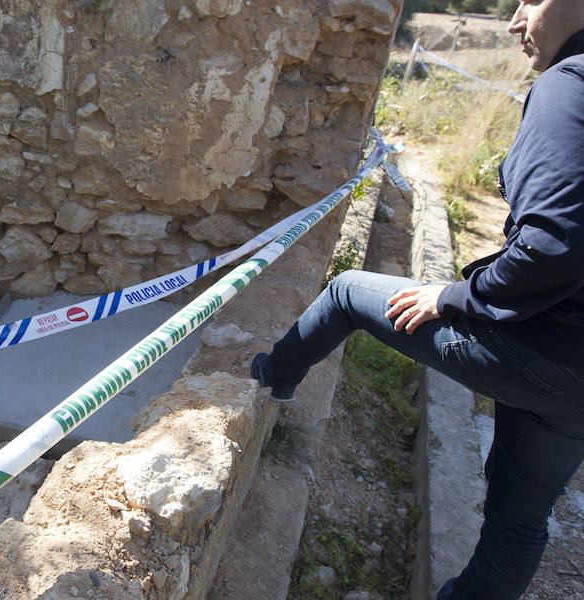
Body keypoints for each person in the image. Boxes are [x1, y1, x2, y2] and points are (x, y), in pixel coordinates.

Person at [250, 1, 584, 598]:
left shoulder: (569, 85)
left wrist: (456, 296)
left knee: (350, 290)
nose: (513, 22)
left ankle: (270, 378)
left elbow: (554, 244)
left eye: (530, 1)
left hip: (542, 348)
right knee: (520, 523)